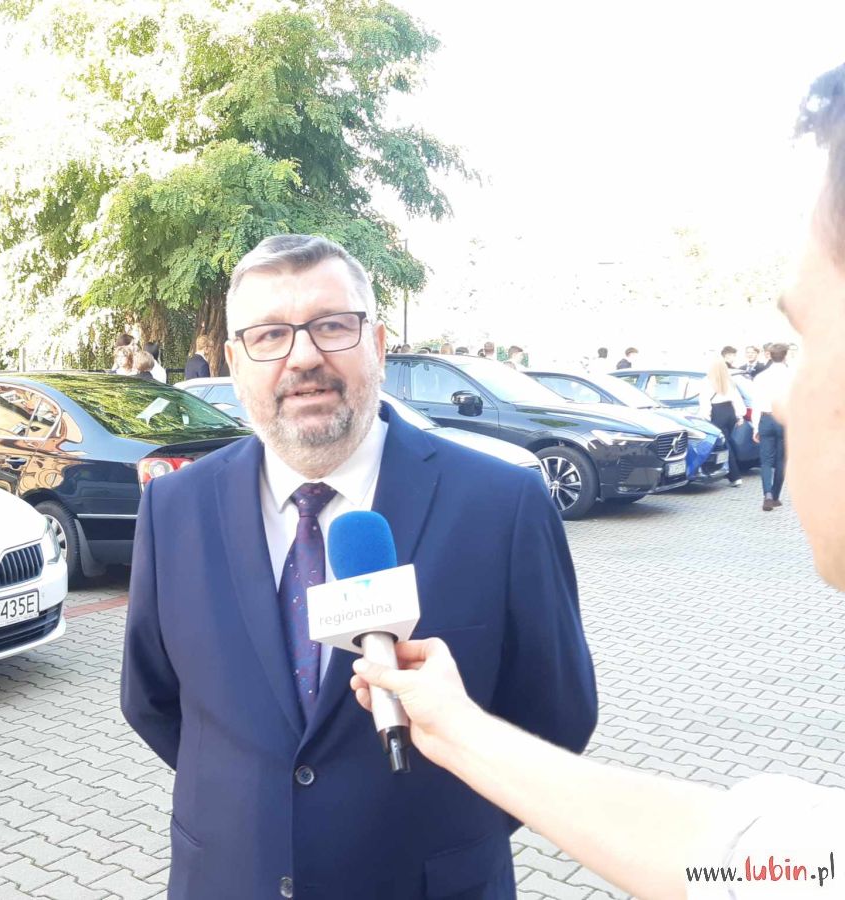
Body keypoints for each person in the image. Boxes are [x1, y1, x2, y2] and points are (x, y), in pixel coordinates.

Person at [350, 61, 845, 900]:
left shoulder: (502, 496)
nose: (781, 397)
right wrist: (460, 731)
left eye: (806, 340)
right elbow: (761, 862)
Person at [121, 234, 598, 900]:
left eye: (332, 326)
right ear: (234, 362)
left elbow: (557, 715)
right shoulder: (174, 507)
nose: (304, 357)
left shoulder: (502, 504)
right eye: (269, 335)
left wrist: (453, 838)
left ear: (376, 344)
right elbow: (152, 701)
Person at [752, 342, 793, 511]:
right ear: (785, 355)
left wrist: (755, 427)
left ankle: (767, 494)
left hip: (766, 418)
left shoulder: (761, 377)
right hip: (784, 419)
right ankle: (775, 495)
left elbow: (756, 404)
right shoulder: (792, 376)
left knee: (766, 461)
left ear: (770, 355)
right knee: (782, 460)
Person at [696, 357, 746, 486]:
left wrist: (705, 418)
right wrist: (740, 416)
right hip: (730, 411)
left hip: (717, 412)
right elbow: (737, 400)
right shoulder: (730, 381)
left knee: (724, 444)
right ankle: (730, 473)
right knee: (727, 441)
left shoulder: (707, 382)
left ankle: (735, 476)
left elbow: (705, 402)